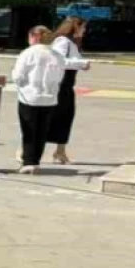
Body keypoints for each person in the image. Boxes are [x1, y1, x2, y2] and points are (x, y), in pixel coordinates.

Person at [11, 25, 66, 175]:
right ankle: (35, 161)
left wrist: (22, 84)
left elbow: (17, 76)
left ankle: (28, 162)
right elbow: (60, 77)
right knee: (42, 132)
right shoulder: (57, 55)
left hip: (29, 97)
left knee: (29, 131)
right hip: (49, 99)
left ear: (34, 37)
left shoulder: (28, 53)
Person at [46, 17, 91, 164]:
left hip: (66, 86)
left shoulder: (72, 43)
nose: (84, 31)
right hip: (59, 84)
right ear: (74, 27)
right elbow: (58, 61)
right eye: (82, 27)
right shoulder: (62, 41)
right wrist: (82, 64)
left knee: (66, 117)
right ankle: (25, 149)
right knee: (50, 117)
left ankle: (60, 151)